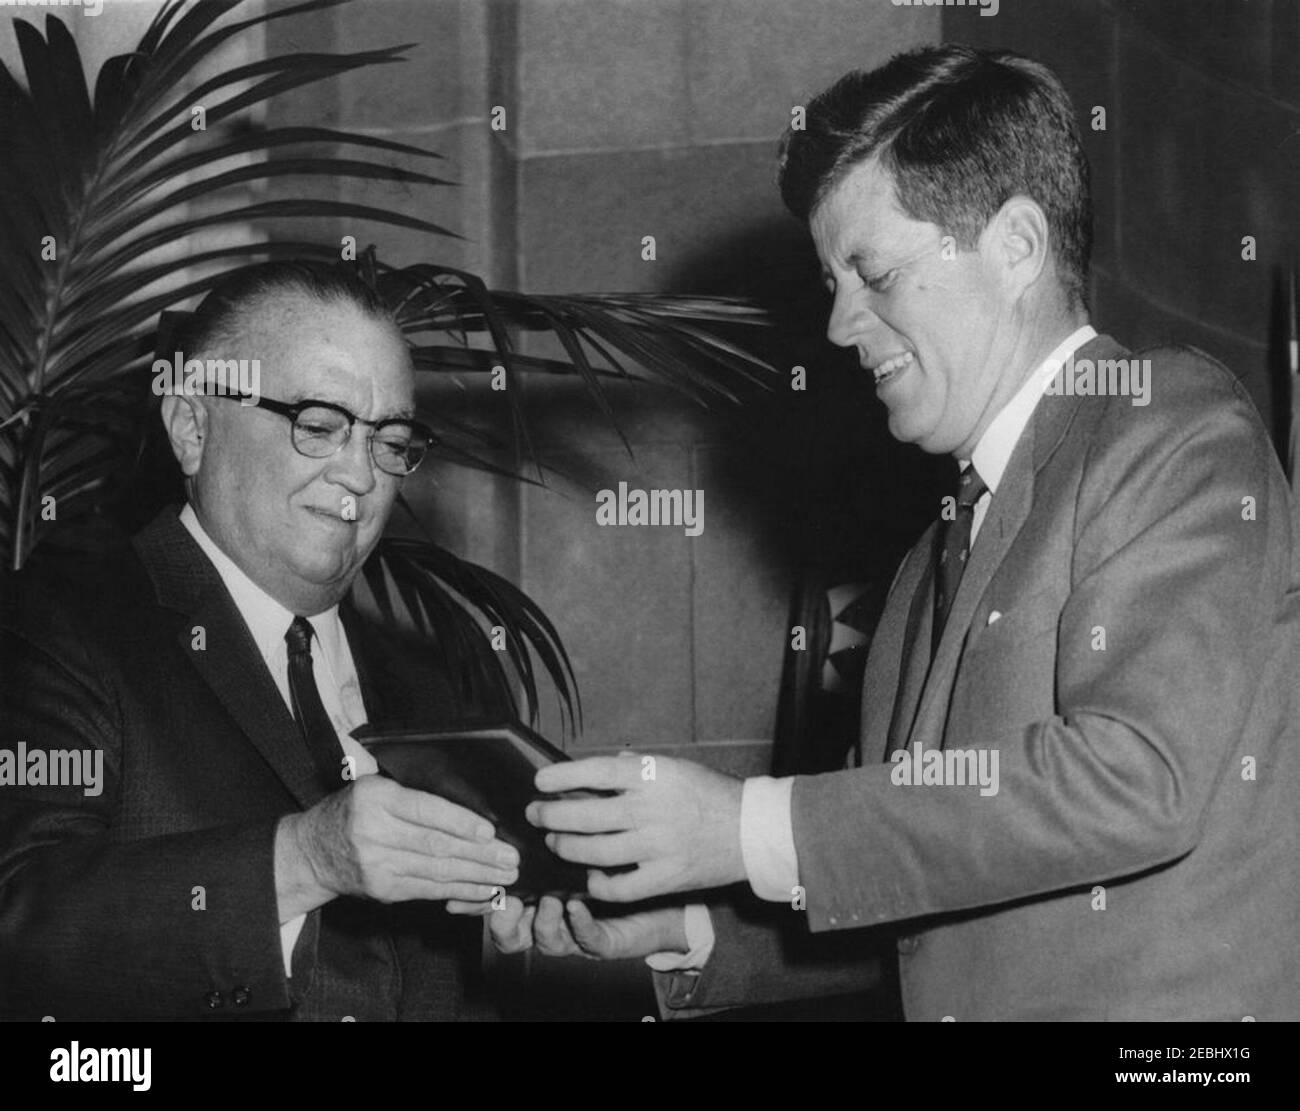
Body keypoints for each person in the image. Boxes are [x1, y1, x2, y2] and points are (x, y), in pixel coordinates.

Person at [502, 45, 1300, 1021]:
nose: (841, 325)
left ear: (1016, 246)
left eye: (872, 272)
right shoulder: (927, 566)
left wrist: (745, 825)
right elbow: (922, 898)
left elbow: (1138, 776)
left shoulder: (1166, 423)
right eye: (833, 282)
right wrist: (690, 930)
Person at [0, 262, 520, 1020]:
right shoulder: (57, 626)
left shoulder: (425, 682)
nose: (359, 476)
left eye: (391, 439)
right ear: (192, 427)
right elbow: (21, 921)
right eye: (319, 425)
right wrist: (305, 858)